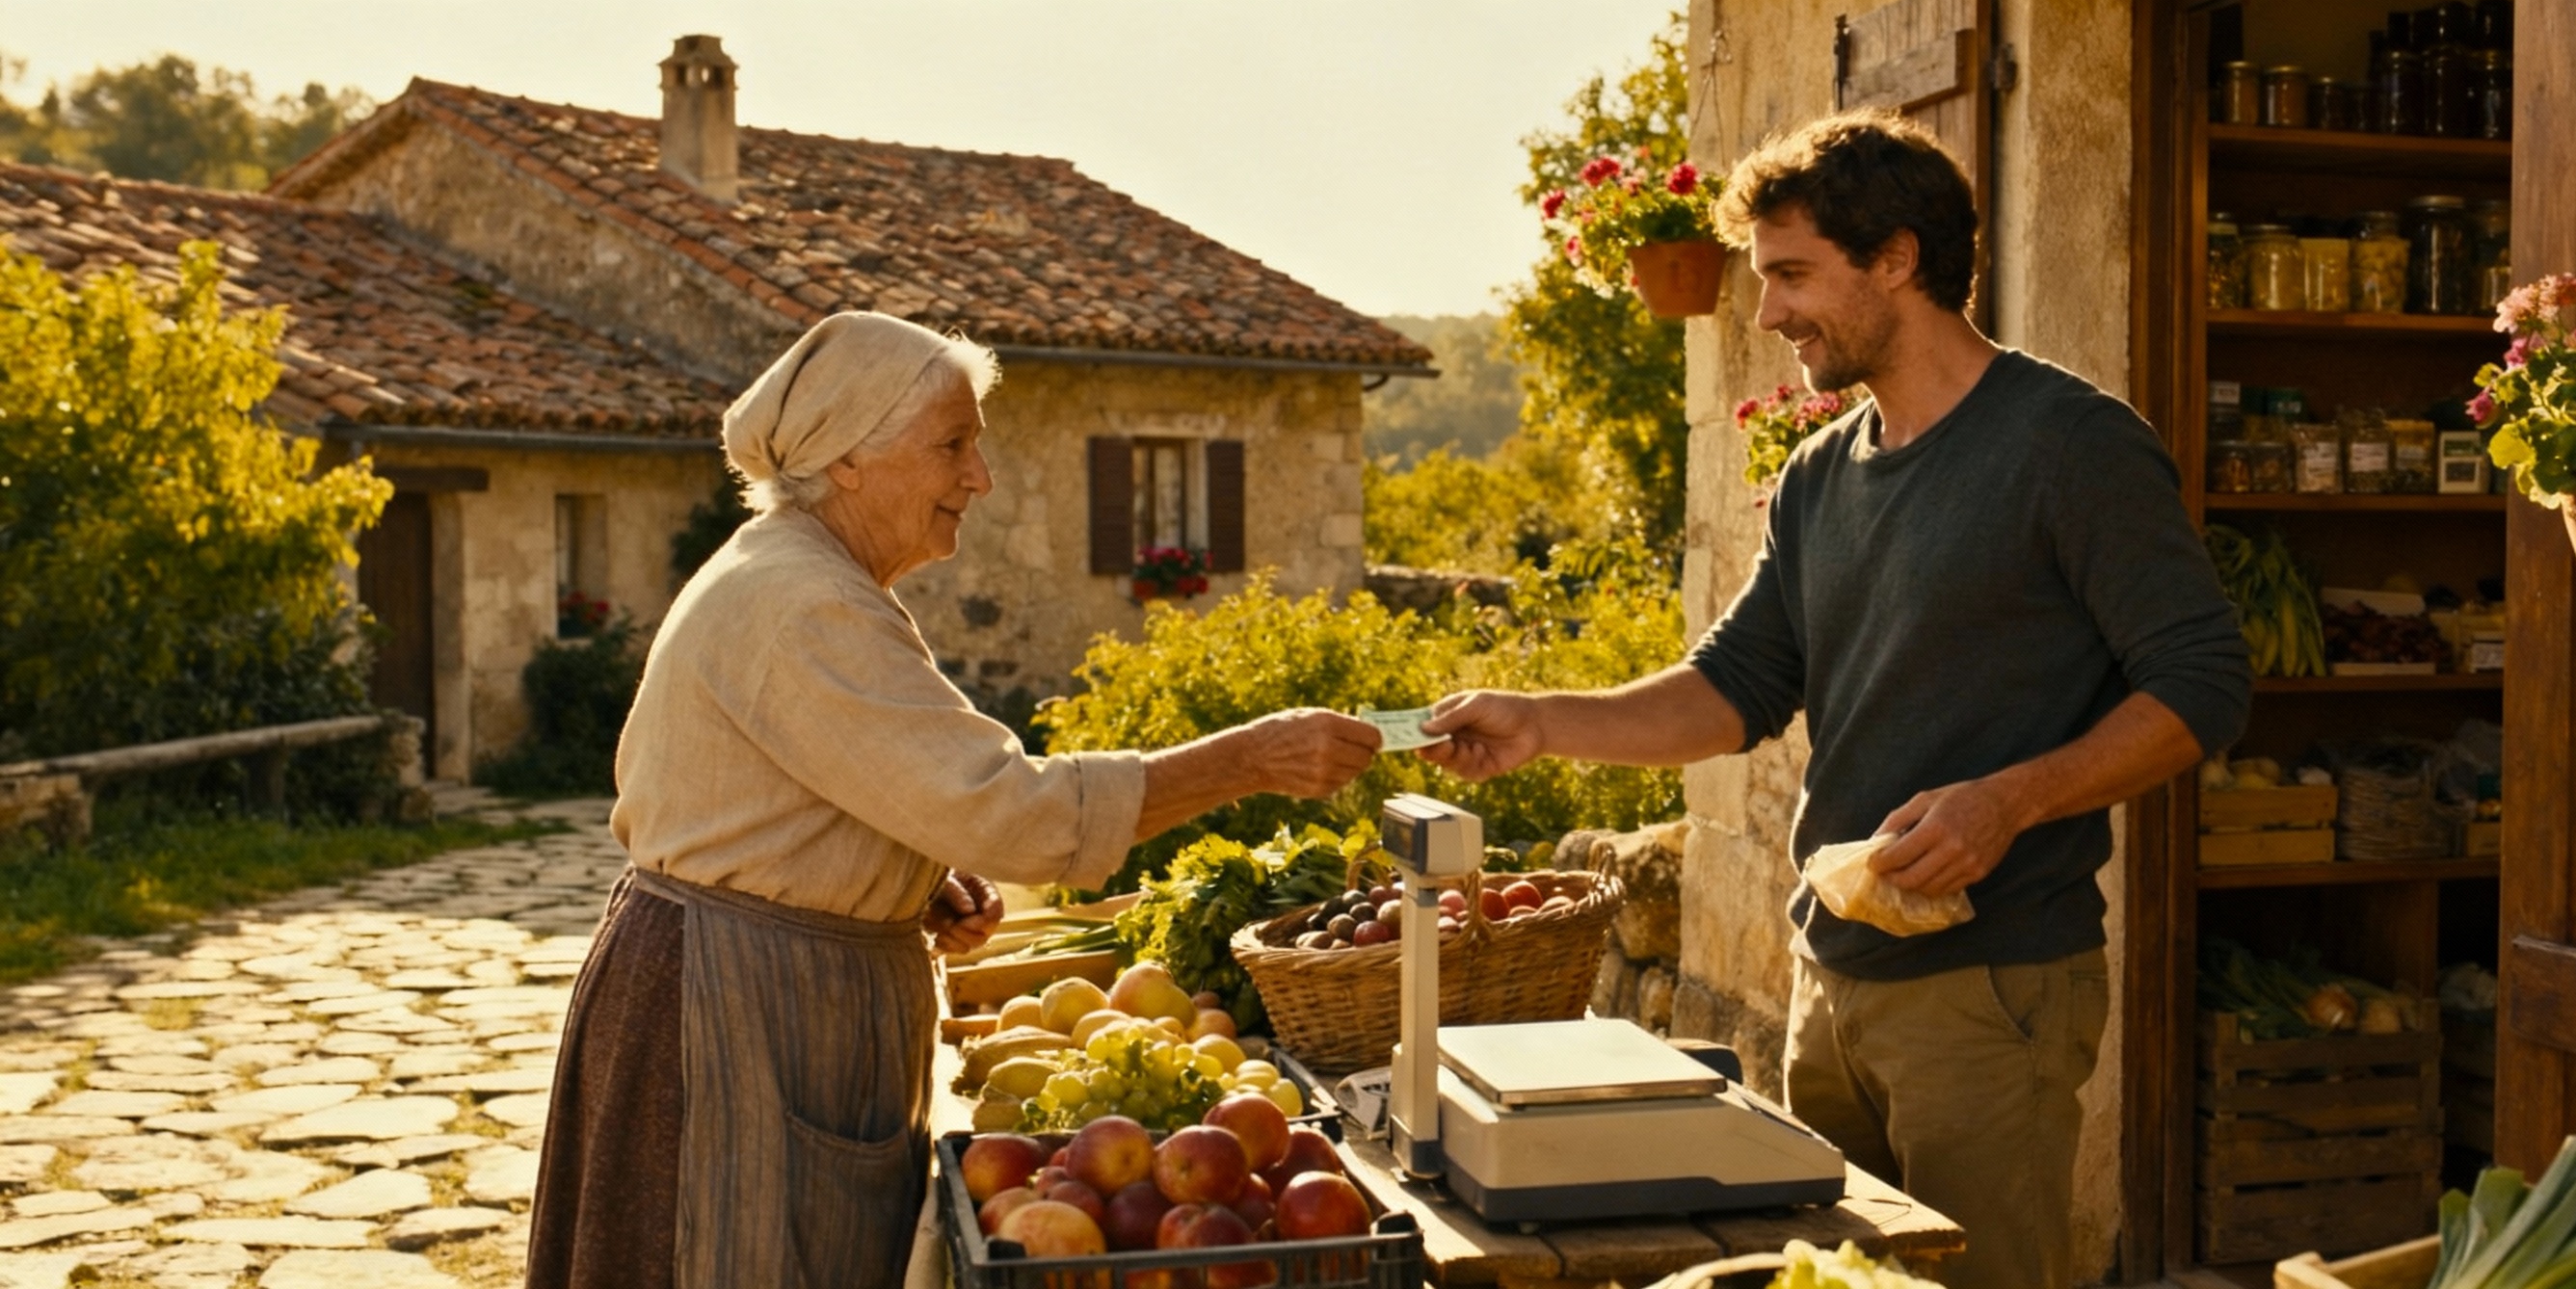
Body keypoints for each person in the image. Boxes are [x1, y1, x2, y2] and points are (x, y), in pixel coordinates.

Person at [1421, 112, 2248, 1289]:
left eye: (1793, 275)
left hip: (1993, 988)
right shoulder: (1821, 470)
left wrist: (2007, 804)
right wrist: (1541, 718)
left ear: (1898, 260)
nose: (1768, 315)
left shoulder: (2070, 444)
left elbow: (2203, 682)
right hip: (1831, 982)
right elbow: (1734, 690)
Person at [526, 311, 1382, 1289]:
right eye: (953, 446)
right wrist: (1250, 758)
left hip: (751, 988)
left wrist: (904, 869)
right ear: (847, 459)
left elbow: (810, 792)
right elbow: (1010, 810)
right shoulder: (805, 600)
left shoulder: (798, 574)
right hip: (736, 1013)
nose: (979, 477)